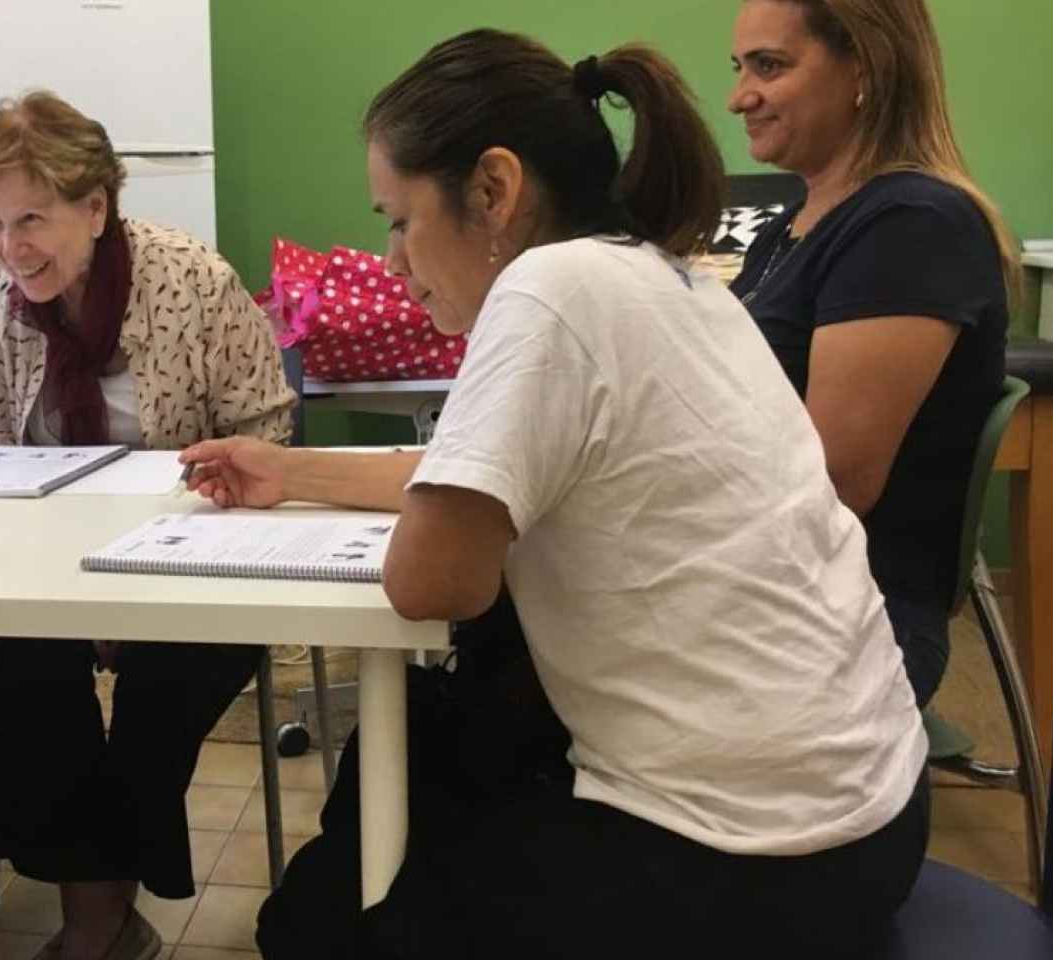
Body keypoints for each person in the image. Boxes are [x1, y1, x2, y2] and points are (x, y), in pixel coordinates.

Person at [181, 28, 929, 959]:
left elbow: (434, 582)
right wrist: (293, 471)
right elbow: (508, 476)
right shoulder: (667, 276)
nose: (395, 260)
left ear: (494, 190)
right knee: (420, 763)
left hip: (748, 857)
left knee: (329, 914)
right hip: (873, 813)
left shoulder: (547, 288)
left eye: (401, 219)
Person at [0, 91, 296, 960]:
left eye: (31, 218)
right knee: (30, 656)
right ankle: (102, 919)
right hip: (59, 559)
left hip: (195, 551)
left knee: (156, 689)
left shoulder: (192, 280)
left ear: (95, 208)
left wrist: (146, 574)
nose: (8, 250)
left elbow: (268, 431)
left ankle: (93, 926)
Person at [728, 0, 1017, 707]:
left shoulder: (911, 225)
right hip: (773, 591)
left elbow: (839, 475)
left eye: (769, 65)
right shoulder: (786, 233)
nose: (739, 97)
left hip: (853, 619)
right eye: (739, 69)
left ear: (865, 65)